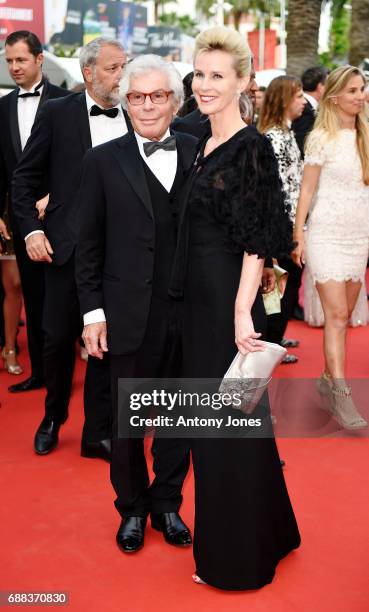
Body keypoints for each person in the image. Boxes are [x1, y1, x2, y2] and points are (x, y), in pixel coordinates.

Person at [170, 26, 300, 590]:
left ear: (244, 81)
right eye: (200, 74)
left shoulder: (251, 147)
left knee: (222, 428)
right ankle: (273, 528)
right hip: (196, 302)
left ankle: (234, 559)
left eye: (218, 75)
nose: (204, 85)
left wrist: (242, 311)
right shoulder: (200, 138)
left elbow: (256, 238)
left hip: (226, 305)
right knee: (241, 423)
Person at [76, 55, 196, 554]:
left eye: (158, 95)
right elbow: (89, 244)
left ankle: (167, 501)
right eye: (137, 97)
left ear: (175, 100)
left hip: (190, 313)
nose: (147, 106)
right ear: (125, 102)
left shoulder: (199, 151)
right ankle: (132, 508)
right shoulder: (101, 162)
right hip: (126, 312)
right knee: (128, 423)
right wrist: (92, 313)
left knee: (178, 417)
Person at [12, 37, 129, 458]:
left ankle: (97, 431)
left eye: (124, 66)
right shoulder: (58, 112)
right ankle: (53, 415)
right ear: (88, 72)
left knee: (106, 343)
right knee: (58, 338)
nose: (121, 75)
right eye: (114, 68)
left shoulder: (139, 113)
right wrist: (31, 231)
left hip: (120, 254)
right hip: (65, 249)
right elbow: (23, 180)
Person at [292, 65, 369, 430]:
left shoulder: (366, 135)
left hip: (359, 236)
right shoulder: (320, 137)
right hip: (325, 233)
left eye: (362, 89)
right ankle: (341, 397)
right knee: (337, 317)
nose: (360, 95)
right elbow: (306, 190)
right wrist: (299, 235)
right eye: (353, 90)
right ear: (335, 95)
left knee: (346, 316)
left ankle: (326, 381)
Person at [0, 30, 69, 389]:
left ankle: (63, 370)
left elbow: (79, 160)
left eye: (21, 60)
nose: (14, 67)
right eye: (10, 61)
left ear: (39, 59)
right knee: (34, 295)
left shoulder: (65, 102)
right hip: (22, 218)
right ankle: (42, 373)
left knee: (62, 296)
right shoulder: (3, 106)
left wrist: (56, 195)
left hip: (62, 215)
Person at [258, 76, 306, 363]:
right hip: (282, 225)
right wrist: (291, 230)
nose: (303, 101)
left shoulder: (286, 133)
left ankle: (276, 337)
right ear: (284, 100)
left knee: (288, 284)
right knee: (280, 286)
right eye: (298, 96)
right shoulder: (274, 138)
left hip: (292, 222)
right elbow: (276, 188)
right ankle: (272, 341)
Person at [292, 65, 328, 157]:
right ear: (320, 87)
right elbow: (302, 144)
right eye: (330, 85)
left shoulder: (309, 106)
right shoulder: (305, 109)